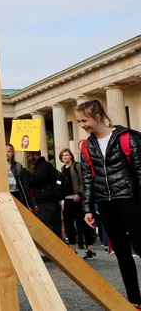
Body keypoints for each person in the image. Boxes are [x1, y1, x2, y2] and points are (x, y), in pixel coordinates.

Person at [78, 99, 141, 306]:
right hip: (105, 203)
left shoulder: (128, 138)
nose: (81, 125)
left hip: (130, 200)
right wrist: (88, 208)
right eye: (78, 121)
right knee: (122, 253)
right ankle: (134, 300)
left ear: (97, 117)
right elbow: (87, 179)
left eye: (84, 120)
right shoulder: (87, 146)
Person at [59, 148, 96, 260]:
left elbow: (84, 181)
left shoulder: (77, 166)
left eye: (67, 155)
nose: (65, 157)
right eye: (63, 156)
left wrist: (79, 194)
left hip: (78, 199)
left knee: (83, 224)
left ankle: (91, 250)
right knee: (68, 225)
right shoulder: (62, 168)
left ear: (71, 156)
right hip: (67, 199)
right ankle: (72, 250)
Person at [28, 149, 62, 243]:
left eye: (29, 155)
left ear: (34, 154)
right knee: (52, 227)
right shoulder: (41, 166)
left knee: (49, 228)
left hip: (47, 202)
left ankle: (56, 252)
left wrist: (24, 172)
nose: (28, 158)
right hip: (47, 201)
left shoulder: (43, 166)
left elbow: (36, 180)